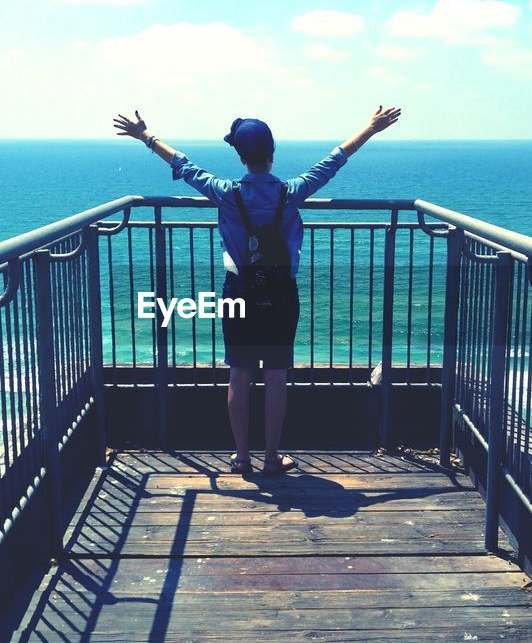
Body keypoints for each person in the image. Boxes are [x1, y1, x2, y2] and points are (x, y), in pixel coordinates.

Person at [112, 106, 402, 475]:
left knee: (240, 373)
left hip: (239, 292)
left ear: (240, 155)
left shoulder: (226, 194)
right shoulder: (290, 192)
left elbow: (184, 166)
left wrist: (145, 137)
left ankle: (242, 456)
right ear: (272, 153)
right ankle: (271, 457)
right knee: (277, 375)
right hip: (281, 293)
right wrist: (371, 128)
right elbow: (334, 160)